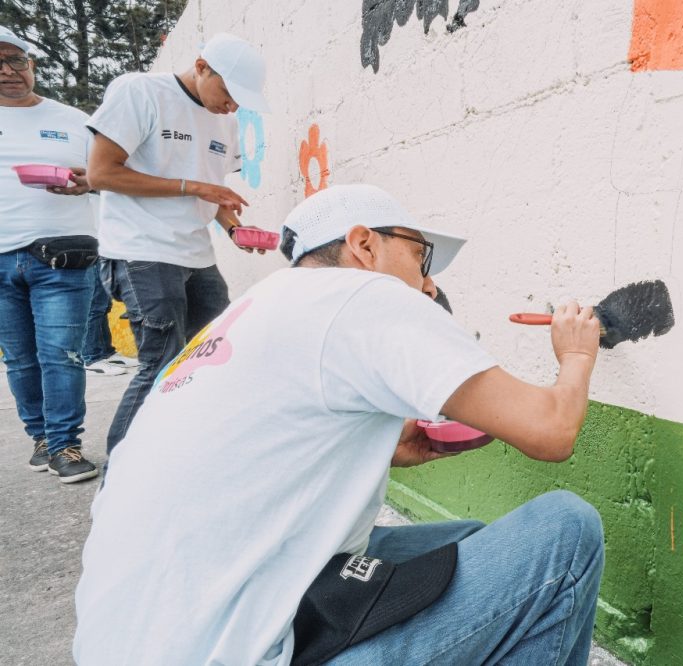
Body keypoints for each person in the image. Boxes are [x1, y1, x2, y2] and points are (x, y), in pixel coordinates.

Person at [74, 184, 605, 665]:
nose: (426, 284)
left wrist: (390, 450)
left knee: (467, 541)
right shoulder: (361, 295)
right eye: (421, 256)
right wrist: (577, 354)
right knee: (566, 530)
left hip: (130, 642)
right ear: (364, 245)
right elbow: (550, 430)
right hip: (233, 654)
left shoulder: (246, 315)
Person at [85, 32, 270, 455]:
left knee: (212, 359)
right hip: (141, 252)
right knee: (162, 363)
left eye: (243, 99)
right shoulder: (140, 92)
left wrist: (233, 228)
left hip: (197, 256)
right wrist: (192, 187)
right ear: (202, 66)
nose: (233, 106)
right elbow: (100, 174)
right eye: (229, 92)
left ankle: (184, 457)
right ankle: (120, 481)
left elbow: (213, 191)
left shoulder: (225, 120)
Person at [0, 25, 100, 483]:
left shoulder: (72, 119)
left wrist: (88, 181)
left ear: (31, 65)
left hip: (62, 256)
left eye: (16, 60)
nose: (8, 71)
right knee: (19, 359)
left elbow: (107, 177)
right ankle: (41, 438)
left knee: (61, 354)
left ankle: (65, 445)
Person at [81, 271, 138, 376]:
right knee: (94, 308)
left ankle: (106, 353)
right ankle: (91, 359)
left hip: (100, 257)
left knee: (104, 306)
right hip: (89, 259)